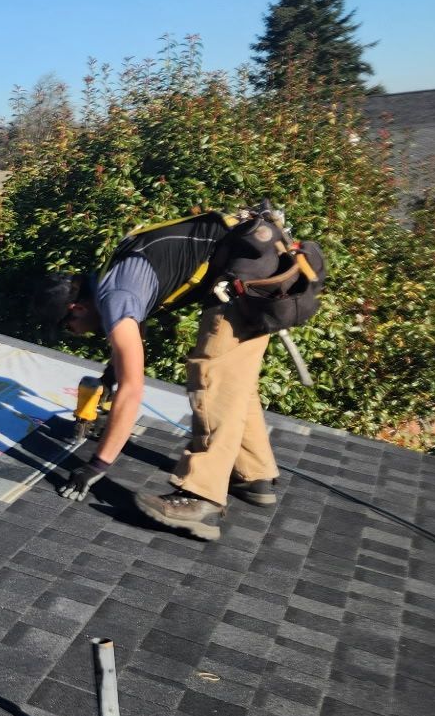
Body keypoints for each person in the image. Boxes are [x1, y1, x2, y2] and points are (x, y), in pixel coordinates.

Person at [37, 215, 284, 543]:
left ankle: (203, 497)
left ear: (76, 308)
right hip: (258, 266)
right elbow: (130, 350)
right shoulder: (112, 278)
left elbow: (134, 387)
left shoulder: (116, 295)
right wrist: (109, 381)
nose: (73, 334)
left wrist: (97, 465)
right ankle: (254, 476)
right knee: (234, 376)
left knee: (211, 375)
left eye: (67, 327)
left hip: (247, 276)